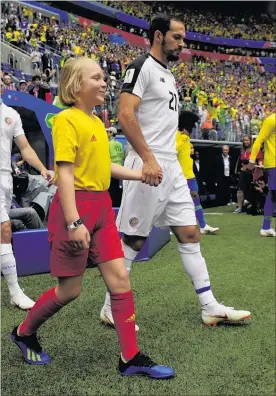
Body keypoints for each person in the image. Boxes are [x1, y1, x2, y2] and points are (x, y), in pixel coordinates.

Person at [10, 58, 174, 379]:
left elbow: (104, 168)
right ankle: (24, 333)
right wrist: (73, 222)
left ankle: (130, 357)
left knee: (120, 282)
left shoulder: (97, 122)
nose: (104, 83)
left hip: (100, 207)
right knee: (69, 291)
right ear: (75, 85)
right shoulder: (66, 121)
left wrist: (140, 175)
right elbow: (66, 174)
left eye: (103, 78)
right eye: (96, 78)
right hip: (75, 209)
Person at [100, 14, 250, 329]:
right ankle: (110, 308)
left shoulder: (168, 73)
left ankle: (209, 306)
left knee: (190, 232)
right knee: (134, 239)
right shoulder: (140, 66)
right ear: (158, 36)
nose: (183, 44)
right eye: (177, 38)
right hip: (147, 164)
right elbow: (125, 115)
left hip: (170, 166)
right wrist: (148, 158)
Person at [1, 83, 54, 310]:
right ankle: (15, 291)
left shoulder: (11, 114)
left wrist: (43, 169)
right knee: (4, 228)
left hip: (5, 180)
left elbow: (25, 148)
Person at [176, 111, 219, 234]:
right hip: (178, 175)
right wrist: (183, 139)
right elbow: (173, 150)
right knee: (175, 201)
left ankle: (203, 226)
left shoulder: (186, 136)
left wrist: (189, 151)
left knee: (195, 196)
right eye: (192, 125)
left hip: (189, 174)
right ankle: (169, 227)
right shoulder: (178, 135)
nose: (193, 128)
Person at [247, 113, 276, 237]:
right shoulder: (271, 120)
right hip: (273, 162)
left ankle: (266, 227)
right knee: (273, 193)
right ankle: (265, 227)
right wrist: (252, 160)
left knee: (273, 194)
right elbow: (259, 140)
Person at [234, 135, 263, 213]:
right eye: (244, 140)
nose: (245, 142)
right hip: (244, 173)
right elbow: (241, 162)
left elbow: (259, 160)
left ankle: (256, 205)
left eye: (247, 140)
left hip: (253, 173)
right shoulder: (242, 151)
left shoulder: (255, 149)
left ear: (251, 141)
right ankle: (239, 207)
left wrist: (260, 165)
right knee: (240, 189)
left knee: (253, 190)